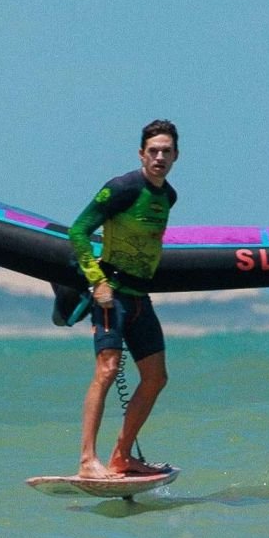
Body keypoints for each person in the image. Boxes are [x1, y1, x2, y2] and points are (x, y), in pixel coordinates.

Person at [67, 119, 179, 478]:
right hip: (110, 294)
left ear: (175, 156)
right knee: (107, 369)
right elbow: (78, 231)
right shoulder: (122, 188)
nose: (159, 157)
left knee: (156, 377)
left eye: (166, 151)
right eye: (153, 151)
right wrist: (96, 281)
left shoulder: (168, 196)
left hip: (139, 297)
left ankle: (121, 456)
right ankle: (87, 460)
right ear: (141, 154)